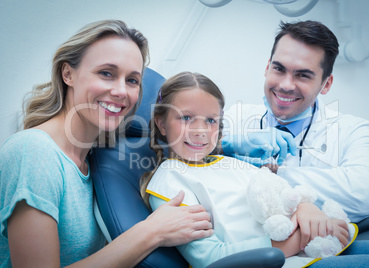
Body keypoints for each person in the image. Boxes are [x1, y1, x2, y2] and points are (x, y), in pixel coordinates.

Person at [0, 20, 214, 267]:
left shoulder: (96, 156)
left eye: (132, 80)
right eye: (106, 73)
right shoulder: (34, 152)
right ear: (67, 74)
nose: (121, 91)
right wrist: (152, 231)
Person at [140, 71, 369, 268]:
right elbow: (210, 258)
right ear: (162, 124)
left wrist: (305, 208)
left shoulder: (231, 164)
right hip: (278, 260)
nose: (199, 130)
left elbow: (281, 195)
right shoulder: (170, 183)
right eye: (186, 117)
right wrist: (294, 242)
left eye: (210, 120)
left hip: (309, 247)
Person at [220, 20, 369, 226]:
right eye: (279, 69)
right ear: (267, 68)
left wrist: (272, 172)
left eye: (303, 75)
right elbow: (181, 157)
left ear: (326, 84)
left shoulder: (352, 130)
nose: (286, 85)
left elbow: (365, 196)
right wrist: (224, 146)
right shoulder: (236, 118)